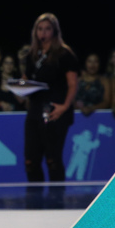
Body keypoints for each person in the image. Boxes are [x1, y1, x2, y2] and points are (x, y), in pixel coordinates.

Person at [21, 13, 78, 182]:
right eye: (40, 29)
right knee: (30, 160)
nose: (43, 33)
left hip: (55, 110)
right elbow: (26, 79)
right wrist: (19, 87)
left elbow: (73, 84)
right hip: (34, 110)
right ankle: (34, 197)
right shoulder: (32, 55)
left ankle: (57, 197)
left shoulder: (64, 54)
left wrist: (65, 106)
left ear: (54, 31)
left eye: (47, 29)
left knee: (52, 159)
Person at [75, 52, 111, 116]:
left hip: (99, 116)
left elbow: (107, 101)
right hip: (78, 116)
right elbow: (71, 100)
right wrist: (81, 108)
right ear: (85, 63)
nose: (92, 65)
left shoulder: (104, 81)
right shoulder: (77, 81)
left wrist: (92, 108)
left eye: (96, 62)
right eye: (90, 61)